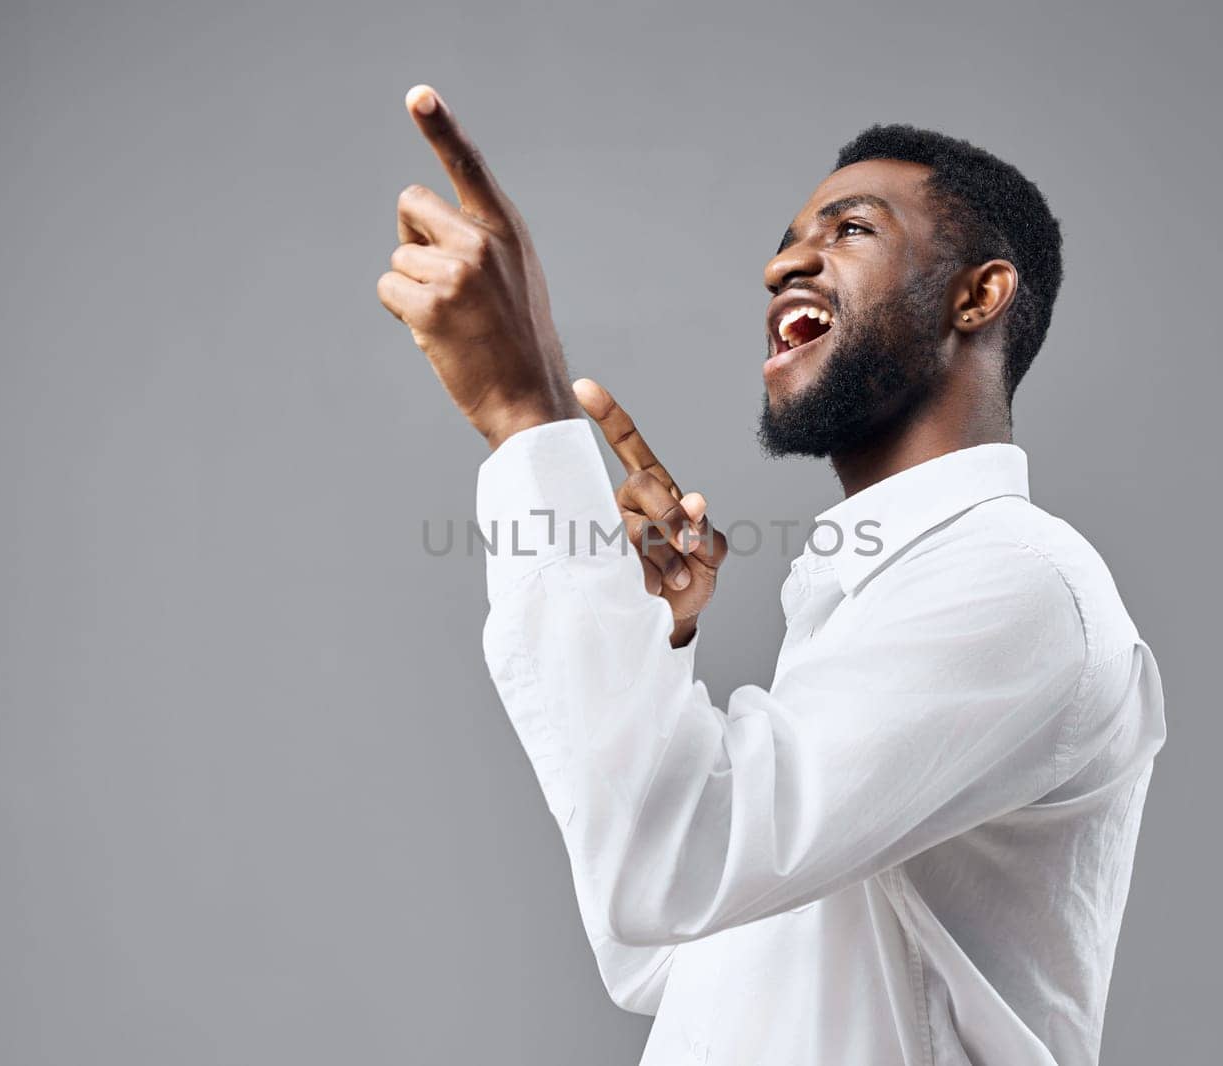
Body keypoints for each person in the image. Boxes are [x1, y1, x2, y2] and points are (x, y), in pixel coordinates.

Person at [377, 83, 1166, 1066]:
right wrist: (649, 644)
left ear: (977, 294)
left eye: (850, 228)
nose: (782, 261)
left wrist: (524, 410)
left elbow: (670, 868)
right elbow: (663, 950)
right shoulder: (877, 598)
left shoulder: (1016, 584)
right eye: (793, 235)